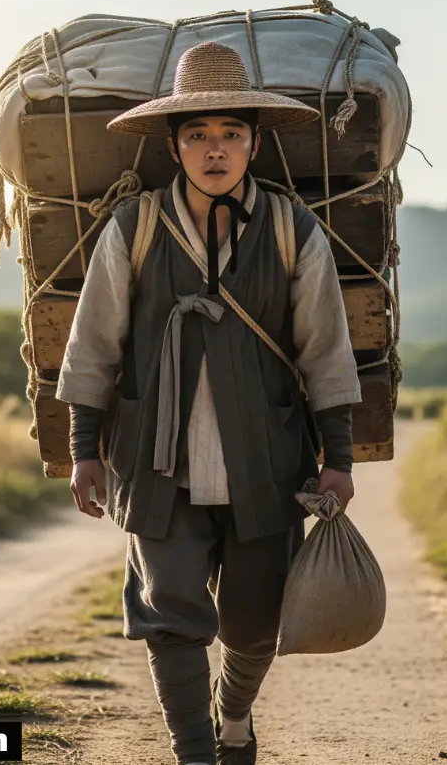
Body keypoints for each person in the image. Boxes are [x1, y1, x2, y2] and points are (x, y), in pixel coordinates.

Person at [56, 40, 362, 765]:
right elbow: (93, 346)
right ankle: (195, 752)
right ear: (174, 146)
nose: (214, 149)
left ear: (255, 143)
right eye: (197, 134)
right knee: (169, 613)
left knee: (256, 623)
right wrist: (83, 450)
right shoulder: (133, 228)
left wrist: (340, 458)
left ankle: (234, 718)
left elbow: (325, 350)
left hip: (267, 459)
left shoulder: (292, 230)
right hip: (155, 460)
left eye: (231, 133)